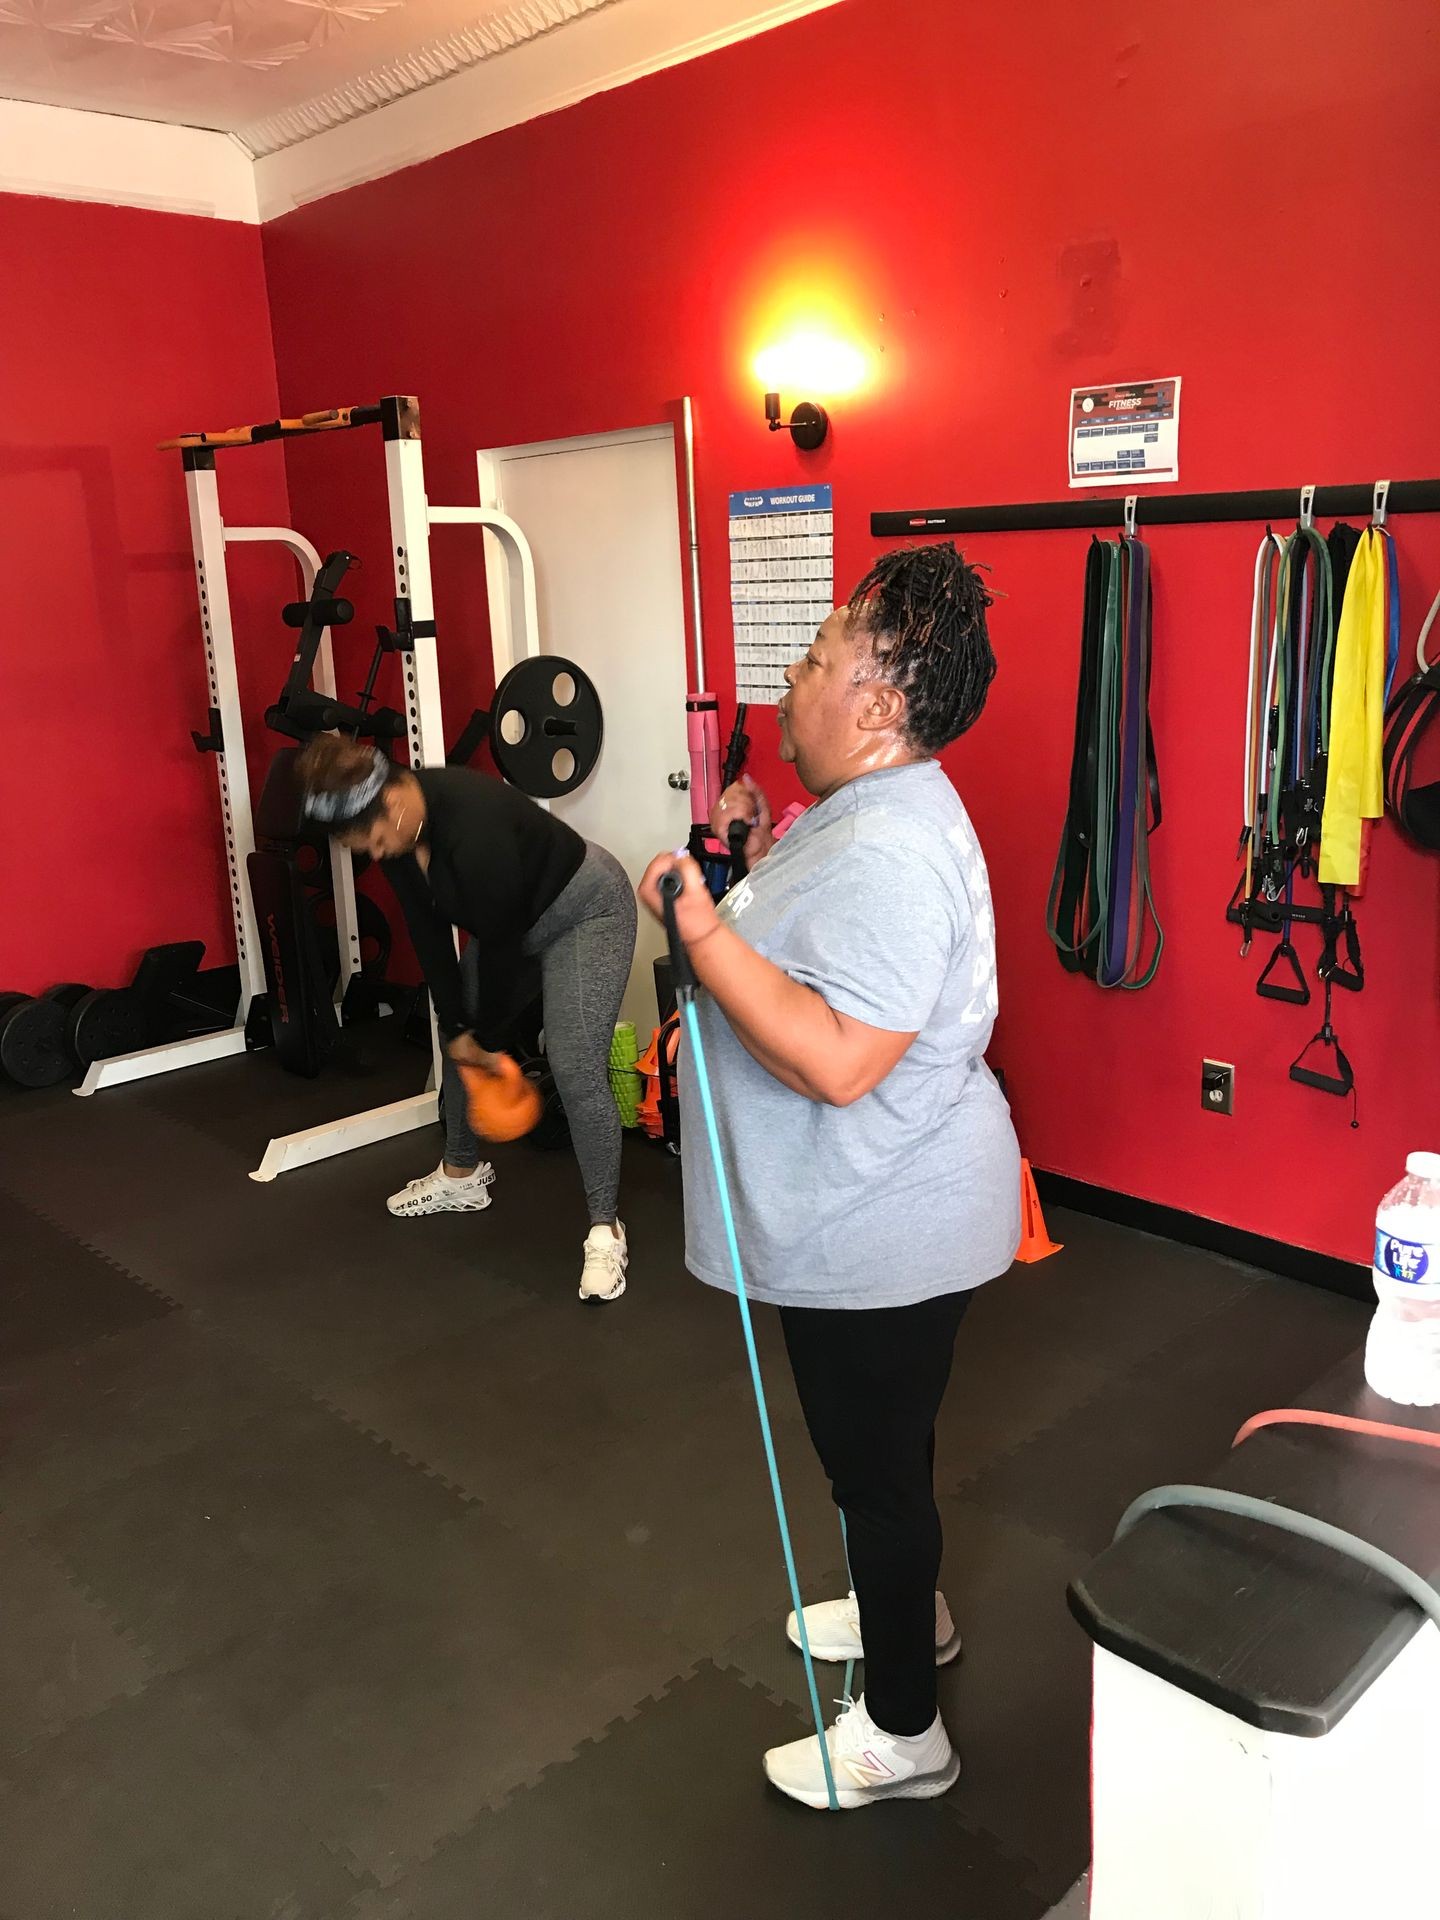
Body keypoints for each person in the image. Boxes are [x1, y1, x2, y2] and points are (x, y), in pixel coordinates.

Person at [640, 542, 1020, 1809]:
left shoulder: (893, 847)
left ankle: (904, 1734)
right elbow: (820, 960)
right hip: (868, 1213)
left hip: (880, 1223)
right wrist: (749, 865)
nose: (793, 679)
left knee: (873, 1472)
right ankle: (907, 1614)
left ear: (877, 706)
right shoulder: (869, 809)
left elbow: (841, 1056)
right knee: (883, 1465)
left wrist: (697, 923)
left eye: (814, 661)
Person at [297, 738, 636, 1302]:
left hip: (585, 910)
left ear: (394, 805)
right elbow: (429, 934)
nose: (378, 854)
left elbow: (503, 948)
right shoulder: (404, 838)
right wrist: (458, 1029)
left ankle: (606, 1227)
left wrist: (488, 1042)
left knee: (574, 1064)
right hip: (516, 921)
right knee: (452, 1031)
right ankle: (461, 1178)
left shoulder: (475, 826)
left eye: (376, 841)